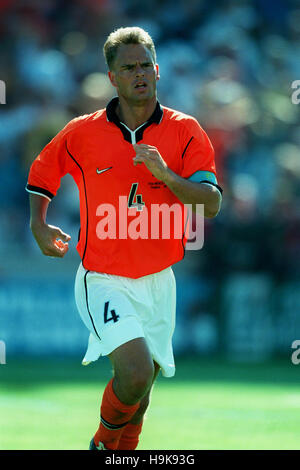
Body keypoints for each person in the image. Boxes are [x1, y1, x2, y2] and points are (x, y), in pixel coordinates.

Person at [26, 26, 222, 450]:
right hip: (103, 277)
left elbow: (211, 202)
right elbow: (42, 172)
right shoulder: (82, 132)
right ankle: (100, 445)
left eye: (146, 65)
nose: (139, 73)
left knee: (141, 397)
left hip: (159, 280)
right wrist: (38, 223)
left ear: (158, 70)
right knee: (132, 375)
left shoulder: (186, 131)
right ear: (112, 77)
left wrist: (166, 176)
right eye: (128, 67)